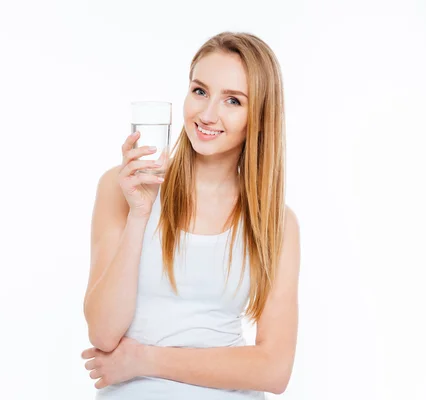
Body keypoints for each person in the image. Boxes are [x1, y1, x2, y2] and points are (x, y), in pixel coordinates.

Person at [81, 31, 301, 399]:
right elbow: (102, 333)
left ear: (258, 117)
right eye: (200, 91)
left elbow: (274, 369)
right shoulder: (121, 188)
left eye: (232, 100)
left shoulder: (276, 222)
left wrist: (144, 360)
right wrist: (140, 214)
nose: (207, 114)